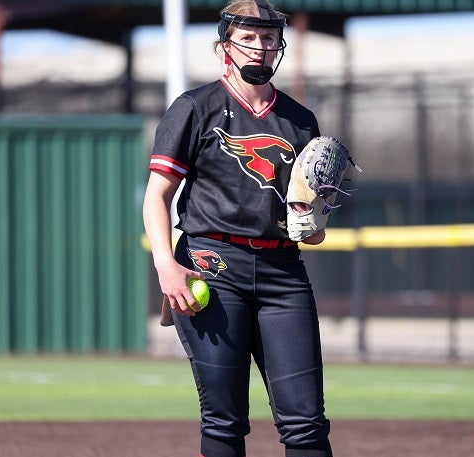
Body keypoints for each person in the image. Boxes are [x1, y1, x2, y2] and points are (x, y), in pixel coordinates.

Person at [142, 1, 332, 456]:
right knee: (224, 421)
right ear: (225, 45)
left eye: (268, 38)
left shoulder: (300, 121)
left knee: (306, 423)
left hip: (282, 272)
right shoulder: (195, 107)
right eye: (248, 38)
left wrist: (314, 220)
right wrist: (166, 265)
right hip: (212, 266)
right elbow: (157, 196)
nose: (260, 48)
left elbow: (309, 222)